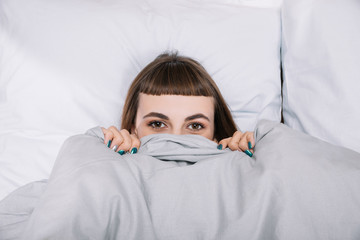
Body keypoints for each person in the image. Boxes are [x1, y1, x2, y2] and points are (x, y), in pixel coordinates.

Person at [101, 52, 255, 157]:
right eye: (157, 124)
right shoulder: (111, 164)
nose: (176, 140)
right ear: (134, 129)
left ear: (215, 135)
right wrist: (100, 150)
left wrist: (256, 153)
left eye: (195, 126)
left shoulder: (239, 163)